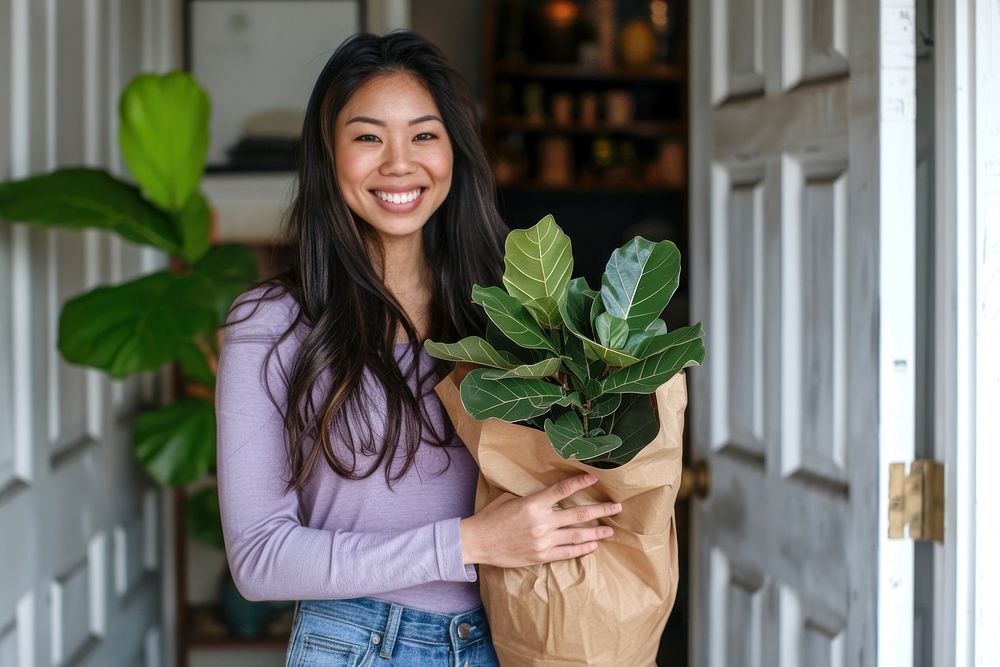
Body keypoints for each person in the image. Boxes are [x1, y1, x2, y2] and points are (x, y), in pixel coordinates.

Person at [216, 31, 622, 666]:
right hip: (354, 645)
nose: (399, 163)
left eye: (424, 135)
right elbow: (259, 559)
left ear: (455, 150)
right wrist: (466, 543)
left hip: (516, 636)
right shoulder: (272, 324)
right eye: (369, 136)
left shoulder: (516, 317)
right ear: (330, 153)